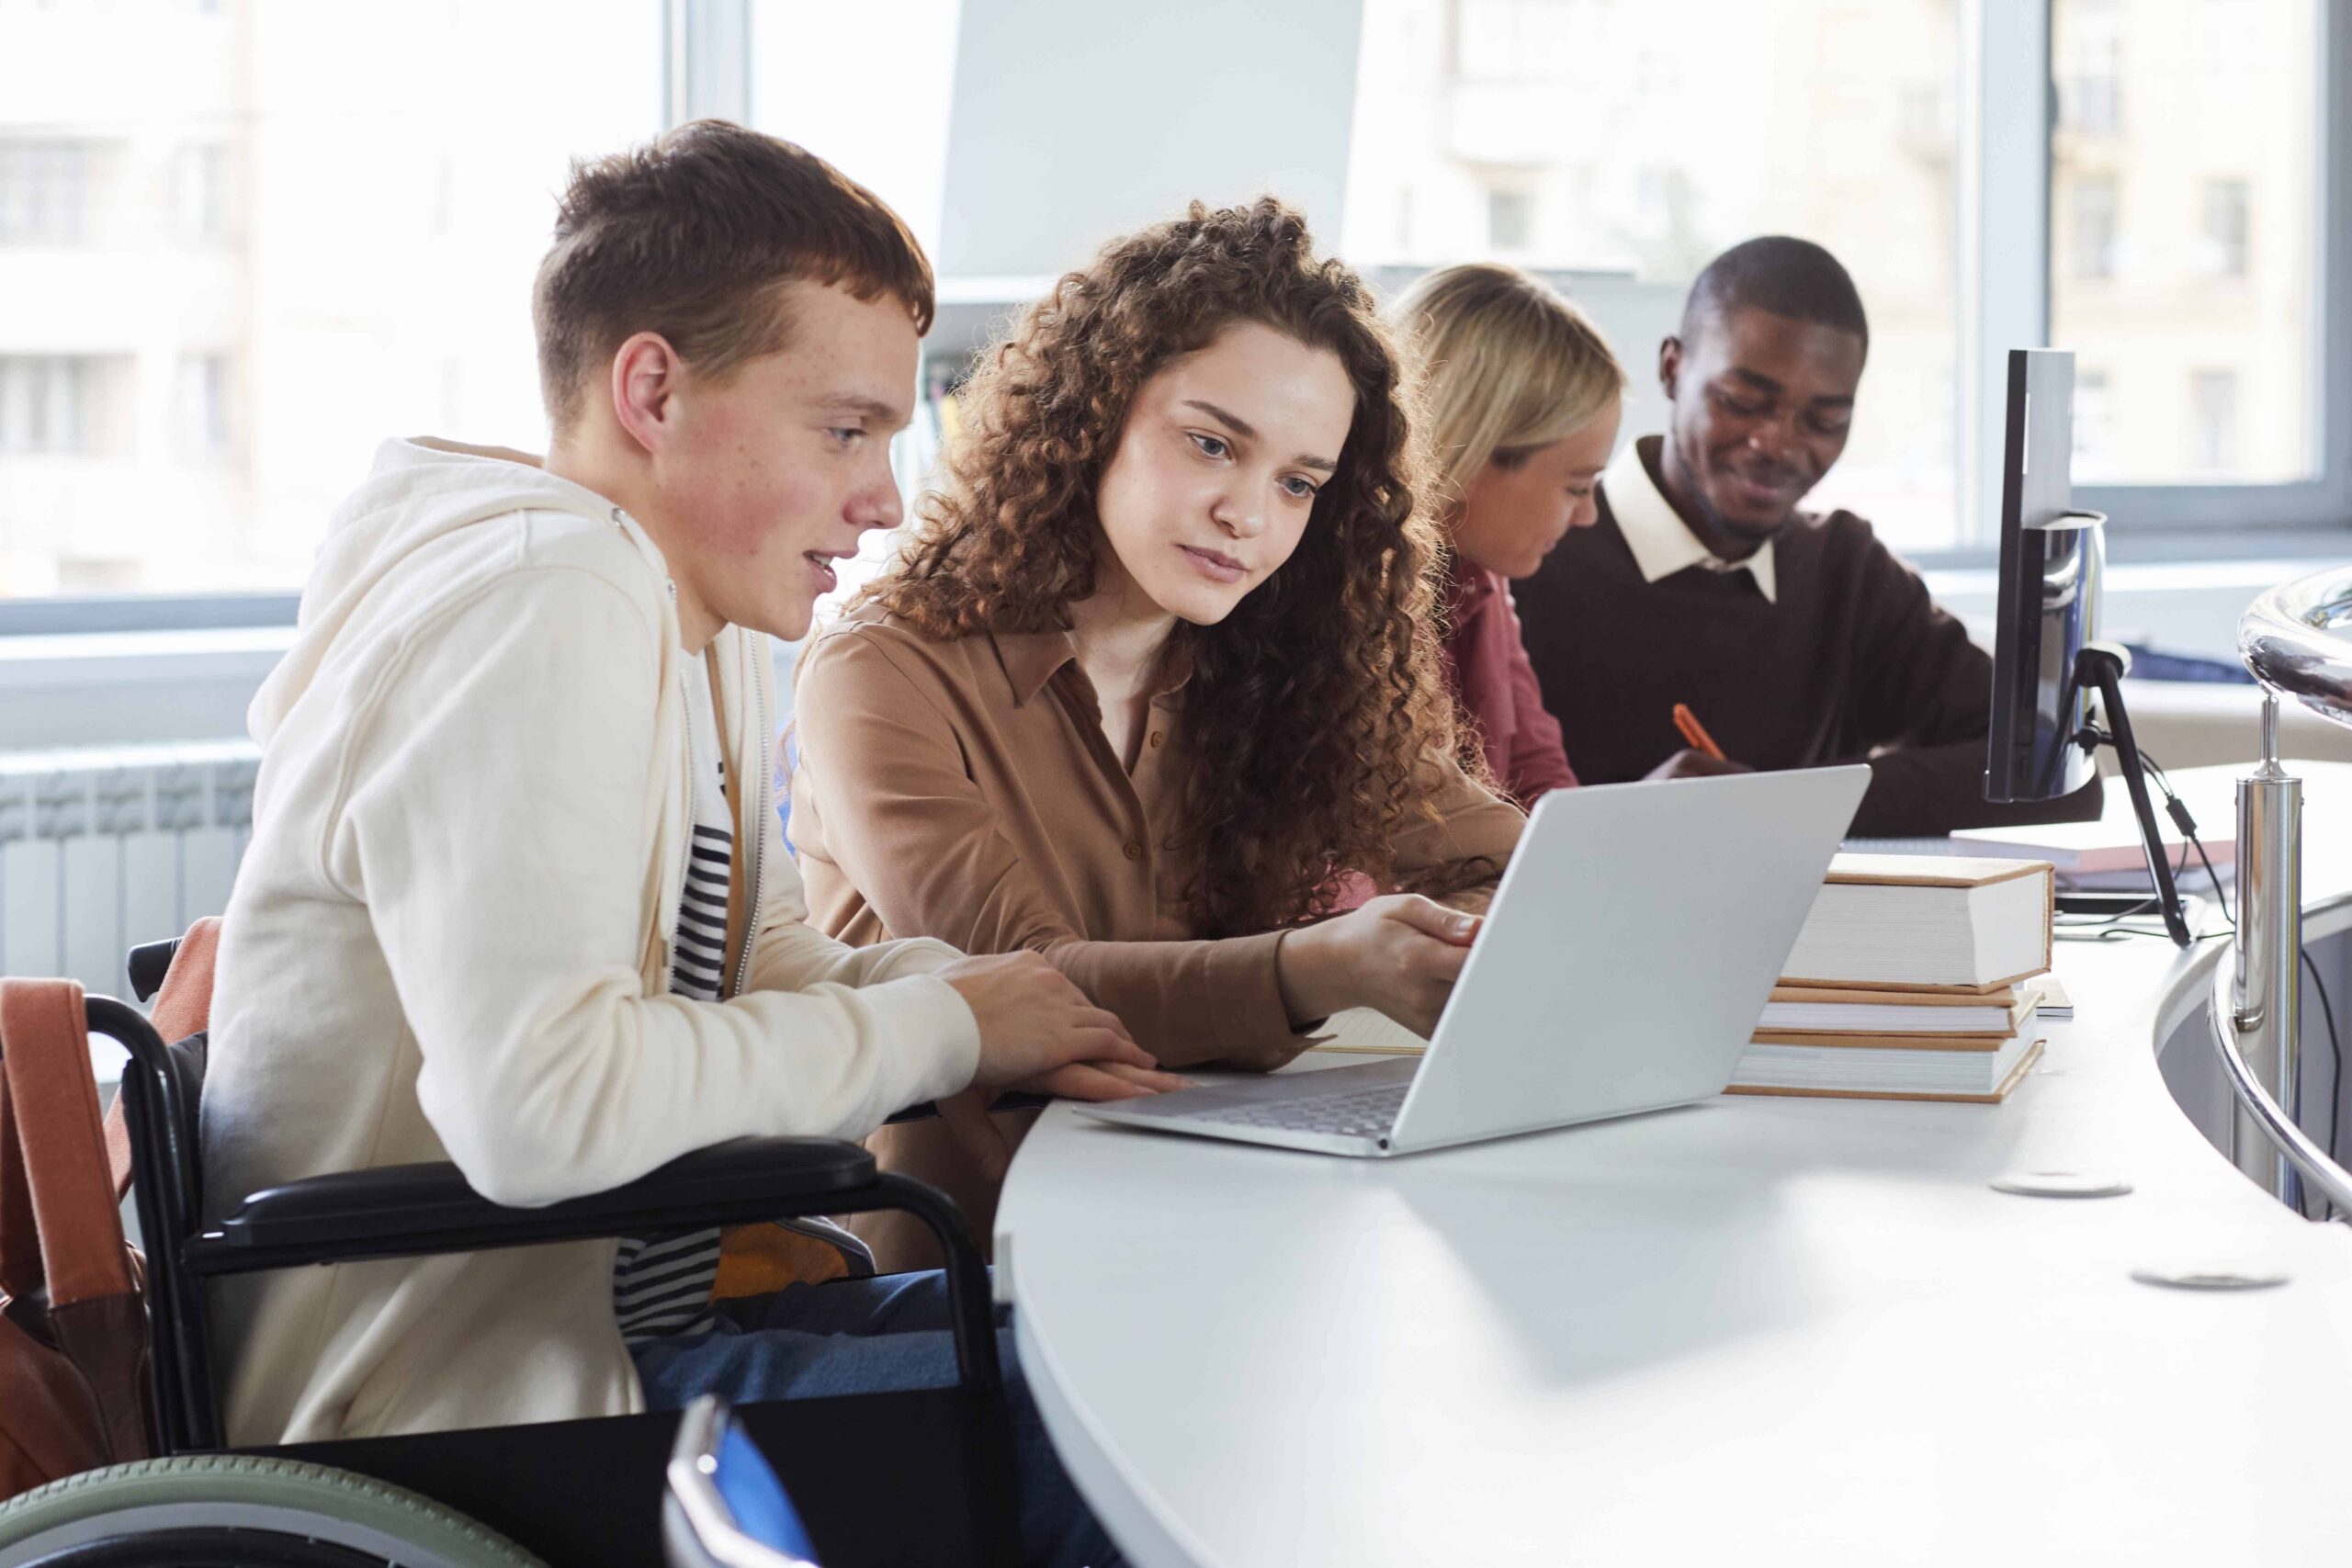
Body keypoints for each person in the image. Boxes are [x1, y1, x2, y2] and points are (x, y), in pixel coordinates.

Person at [199, 121, 1165, 1566]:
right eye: (844, 429)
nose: (886, 496)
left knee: (1138, 1346)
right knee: (1140, 1425)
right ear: (650, 387)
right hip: (453, 1412)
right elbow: (543, 1107)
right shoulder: (549, 589)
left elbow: (755, 951)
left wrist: (1020, 1007)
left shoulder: (687, 606)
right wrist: (948, 1028)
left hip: (624, 1339)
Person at [788, 199, 1525, 1267]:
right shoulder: (881, 667)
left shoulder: (1292, 664)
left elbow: (1501, 866)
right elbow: (1027, 988)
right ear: (1092, 415)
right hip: (958, 1284)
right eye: (1211, 444)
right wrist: (1326, 968)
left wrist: (1453, 942)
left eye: (1298, 484)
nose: (1249, 515)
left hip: (1223, 1228)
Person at [1511, 236, 2103, 836]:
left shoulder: (1846, 574)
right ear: (1672, 368)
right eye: (1742, 401)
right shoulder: (1531, 555)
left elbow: (2055, 772)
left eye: (1824, 421)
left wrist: (1778, 806)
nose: (1778, 444)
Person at [1389, 262, 1624, 805]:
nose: (1588, 515)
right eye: (1576, 486)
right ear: (1471, 455)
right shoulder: (1333, 600)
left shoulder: (1484, 582)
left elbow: (1537, 776)